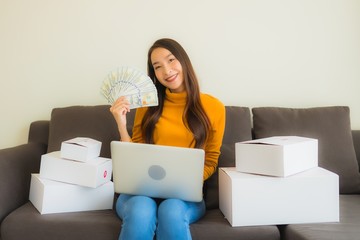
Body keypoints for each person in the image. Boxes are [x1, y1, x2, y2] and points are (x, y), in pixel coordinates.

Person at [110, 38, 226, 240]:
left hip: (184, 197)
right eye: (157, 67)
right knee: (141, 210)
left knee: (171, 211)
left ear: (183, 61)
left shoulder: (214, 107)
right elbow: (133, 155)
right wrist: (121, 123)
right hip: (140, 194)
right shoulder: (147, 105)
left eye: (171, 60)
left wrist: (183, 182)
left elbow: (211, 160)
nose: (167, 71)